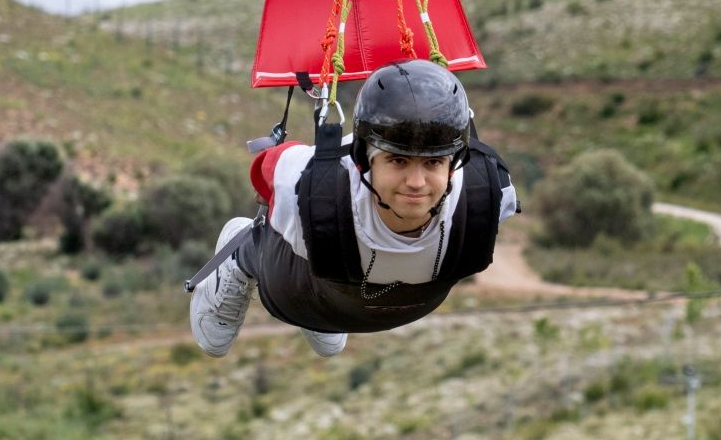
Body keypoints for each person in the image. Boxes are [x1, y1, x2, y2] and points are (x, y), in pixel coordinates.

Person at [189, 58, 518, 356]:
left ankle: (327, 277)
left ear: (455, 162)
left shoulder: (485, 193)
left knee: (317, 224)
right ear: (362, 161)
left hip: (378, 299)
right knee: (302, 219)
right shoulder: (306, 182)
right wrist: (298, 207)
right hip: (299, 295)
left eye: (433, 163)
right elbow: (265, 168)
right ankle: (239, 255)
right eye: (398, 160)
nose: (416, 182)